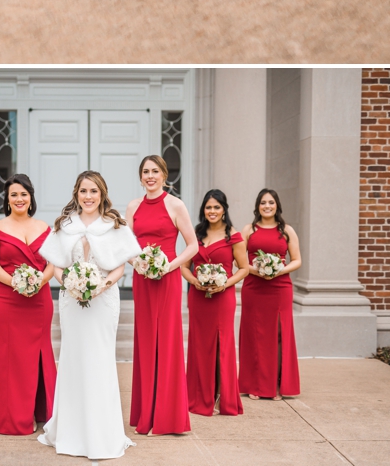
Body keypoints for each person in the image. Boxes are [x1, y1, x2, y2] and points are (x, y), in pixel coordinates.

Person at [38, 172, 141, 461]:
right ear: (76, 193)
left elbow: (120, 267)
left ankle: (103, 434)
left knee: (100, 360)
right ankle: (71, 431)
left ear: (102, 194)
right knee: (73, 359)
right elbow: (56, 264)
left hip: (103, 300)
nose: (88, 196)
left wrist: (102, 286)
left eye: (93, 191)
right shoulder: (64, 225)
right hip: (71, 300)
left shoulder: (114, 225)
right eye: (83, 190)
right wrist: (69, 283)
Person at [0, 173, 56, 435]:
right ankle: (8, 416)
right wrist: (16, 283)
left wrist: (39, 282)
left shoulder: (45, 227)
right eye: (14, 194)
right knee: (6, 358)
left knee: (35, 355)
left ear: (31, 197)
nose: (19, 199)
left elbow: (52, 262)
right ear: (7, 199)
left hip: (39, 300)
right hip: (4, 299)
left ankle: (39, 411)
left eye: (24, 194)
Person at [126, 155, 193, 435]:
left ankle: (168, 417)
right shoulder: (132, 206)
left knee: (166, 342)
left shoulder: (175, 204)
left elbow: (193, 246)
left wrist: (169, 266)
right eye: (145, 172)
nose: (150, 176)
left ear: (164, 175)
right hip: (142, 279)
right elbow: (125, 246)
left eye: (155, 171)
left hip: (168, 280)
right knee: (145, 342)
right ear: (140, 177)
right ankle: (147, 413)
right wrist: (138, 263)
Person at [179, 190, 245, 416]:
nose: (212, 211)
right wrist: (195, 282)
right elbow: (184, 267)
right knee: (199, 345)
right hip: (198, 298)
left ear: (224, 209)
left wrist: (225, 284)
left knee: (222, 346)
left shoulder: (233, 236)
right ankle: (198, 397)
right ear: (203, 210)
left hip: (223, 297)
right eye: (208, 207)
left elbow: (244, 268)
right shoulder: (195, 234)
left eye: (217, 207)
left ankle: (223, 398)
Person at [239, 189, 301, 399]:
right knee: (255, 335)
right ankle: (255, 385)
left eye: (271, 202)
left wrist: (277, 270)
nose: (267, 206)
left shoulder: (287, 230)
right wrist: (259, 271)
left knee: (279, 335)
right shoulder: (248, 229)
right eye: (263, 202)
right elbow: (239, 260)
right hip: (254, 288)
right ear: (258, 206)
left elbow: (297, 260)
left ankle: (277, 386)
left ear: (277, 206)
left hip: (280, 288)